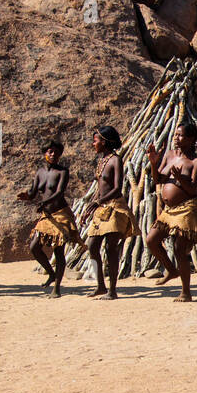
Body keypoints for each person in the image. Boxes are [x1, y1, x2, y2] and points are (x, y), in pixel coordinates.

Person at [145, 122, 197, 302]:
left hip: (188, 208)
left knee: (180, 249)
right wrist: (154, 163)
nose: (176, 139)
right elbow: (158, 180)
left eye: (181, 136)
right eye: (175, 135)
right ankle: (171, 270)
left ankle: (186, 292)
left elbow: (193, 189)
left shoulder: (195, 161)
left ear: (191, 139)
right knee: (151, 240)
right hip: (170, 210)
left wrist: (180, 179)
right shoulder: (169, 155)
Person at [82, 126, 137, 299]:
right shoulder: (101, 161)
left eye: (96, 140)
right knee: (92, 246)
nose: (93, 144)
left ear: (105, 142)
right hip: (102, 208)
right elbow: (100, 189)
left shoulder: (115, 160)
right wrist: (90, 206)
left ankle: (112, 290)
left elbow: (117, 188)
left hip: (115, 207)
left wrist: (98, 202)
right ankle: (100, 286)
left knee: (110, 247)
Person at [17, 141, 77, 298]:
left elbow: (59, 192)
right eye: (50, 152)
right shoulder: (40, 172)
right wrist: (27, 196)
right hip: (47, 216)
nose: (53, 155)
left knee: (59, 251)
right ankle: (51, 274)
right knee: (34, 247)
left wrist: (44, 203)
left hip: (60, 214)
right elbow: (33, 192)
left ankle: (56, 288)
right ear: (45, 153)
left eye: (56, 152)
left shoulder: (62, 172)